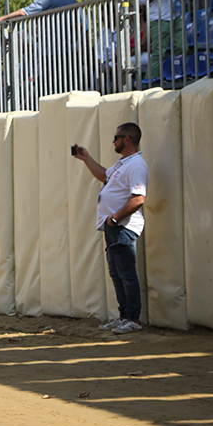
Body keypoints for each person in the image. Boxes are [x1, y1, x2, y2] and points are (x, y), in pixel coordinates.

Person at [71, 122, 148, 333]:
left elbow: (138, 198)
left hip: (122, 227)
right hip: (113, 227)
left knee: (126, 273)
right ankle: (124, 315)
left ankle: (133, 319)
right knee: (116, 273)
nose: (113, 141)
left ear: (127, 139)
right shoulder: (124, 163)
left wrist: (115, 219)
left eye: (116, 137)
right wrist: (86, 158)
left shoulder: (137, 165)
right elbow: (105, 176)